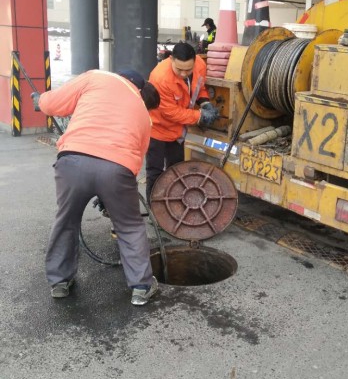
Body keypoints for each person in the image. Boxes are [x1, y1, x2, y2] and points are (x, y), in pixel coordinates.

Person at [32, 69, 161, 306]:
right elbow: (138, 154)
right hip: (118, 169)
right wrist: (112, 193)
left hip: (72, 161)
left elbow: (55, 102)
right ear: (139, 89)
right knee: (130, 226)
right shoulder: (143, 112)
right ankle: (141, 287)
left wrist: (39, 101)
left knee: (66, 220)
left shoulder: (96, 77)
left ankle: (60, 282)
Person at [146, 41, 219, 204]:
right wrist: (200, 116)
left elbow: (199, 87)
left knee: (176, 168)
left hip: (178, 131)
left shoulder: (199, 65)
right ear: (171, 59)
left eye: (188, 69)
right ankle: (154, 207)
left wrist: (205, 102)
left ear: (195, 60)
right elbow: (170, 112)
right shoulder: (160, 78)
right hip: (157, 130)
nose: (184, 74)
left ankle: (173, 203)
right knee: (155, 171)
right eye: (179, 69)